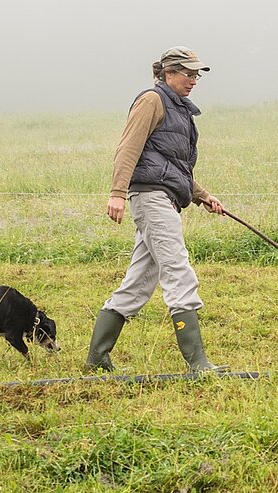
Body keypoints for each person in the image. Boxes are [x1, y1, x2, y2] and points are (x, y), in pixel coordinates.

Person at [86, 46, 227, 373]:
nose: (194, 80)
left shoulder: (179, 109)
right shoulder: (152, 100)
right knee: (178, 271)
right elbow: (129, 147)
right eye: (188, 74)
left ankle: (96, 358)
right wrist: (117, 193)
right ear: (168, 72)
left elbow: (171, 165)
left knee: (139, 282)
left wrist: (203, 196)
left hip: (163, 197)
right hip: (151, 198)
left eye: (196, 75)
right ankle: (198, 363)